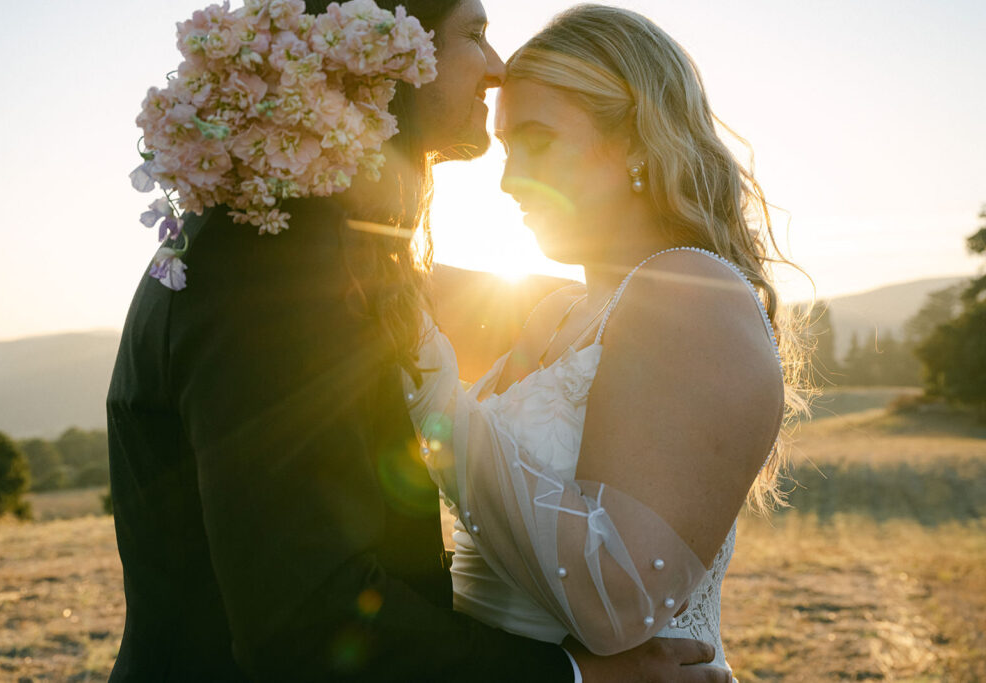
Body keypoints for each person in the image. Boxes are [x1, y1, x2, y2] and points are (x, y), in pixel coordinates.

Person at [107, 0, 727, 680]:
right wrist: (577, 677)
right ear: (386, 49)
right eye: (474, 33)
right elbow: (308, 620)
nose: (496, 67)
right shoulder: (279, 267)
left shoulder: (313, 248)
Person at [406, 4, 809, 679]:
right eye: (507, 149)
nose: (508, 180)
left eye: (538, 141)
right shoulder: (555, 312)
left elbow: (614, 601)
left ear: (637, 142)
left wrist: (431, 390)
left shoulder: (691, 295)